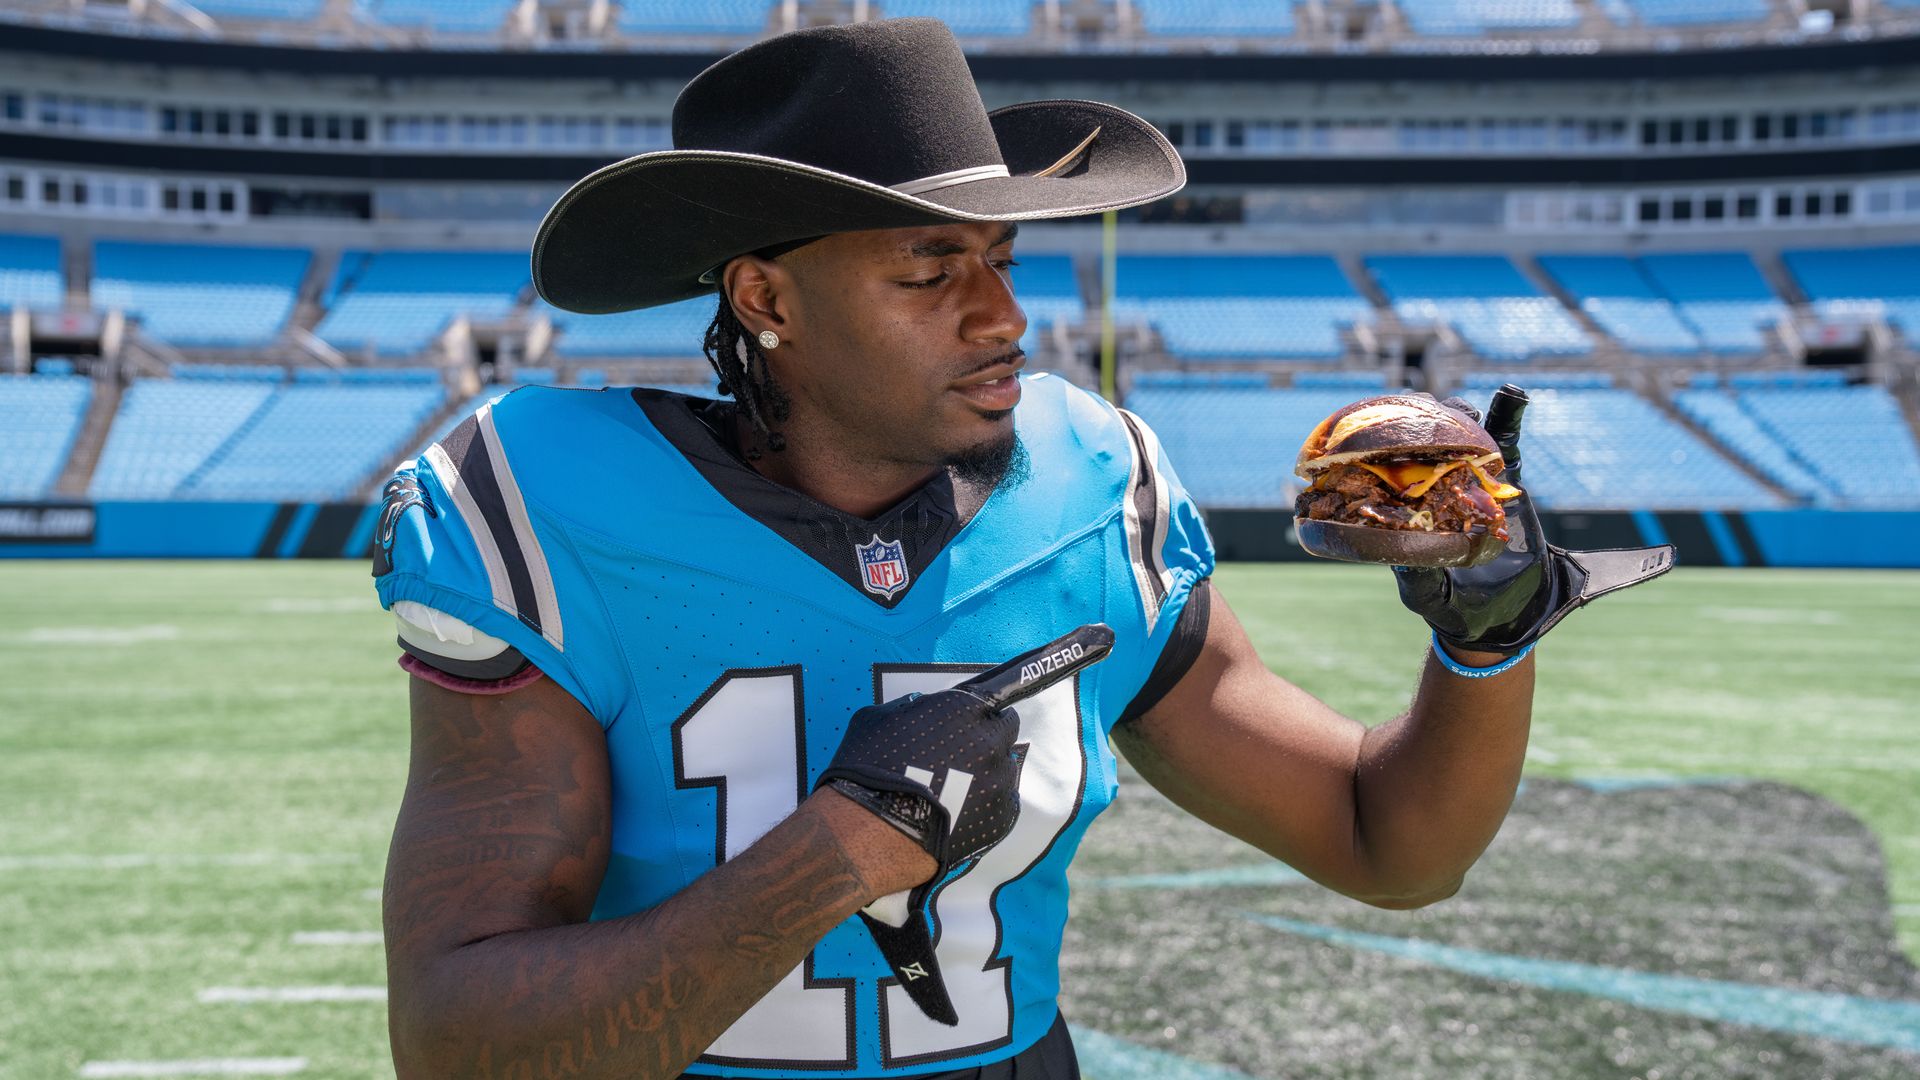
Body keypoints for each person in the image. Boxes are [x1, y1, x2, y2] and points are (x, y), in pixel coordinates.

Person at [371, 18, 1671, 1080]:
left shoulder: (1094, 484)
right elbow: (459, 1046)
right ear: (766, 298)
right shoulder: (545, 504)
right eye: (930, 272)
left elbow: (1389, 846)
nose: (1002, 316)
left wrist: (1485, 641)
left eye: (1000, 259)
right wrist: (840, 854)